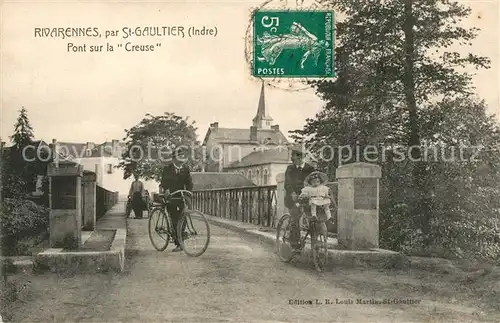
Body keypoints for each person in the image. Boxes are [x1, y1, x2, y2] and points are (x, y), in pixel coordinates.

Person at [160, 148, 193, 252]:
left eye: (183, 156)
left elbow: (189, 183)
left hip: (181, 196)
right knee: (175, 219)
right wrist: (166, 190)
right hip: (172, 197)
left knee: (183, 218)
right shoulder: (167, 169)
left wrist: (189, 191)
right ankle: (178, 243)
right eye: (180, 156)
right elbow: (164, 182)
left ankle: (180, 238)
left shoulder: (185, 169)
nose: (182, 158)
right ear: (174, 159)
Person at [284, 146, 315, 250]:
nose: (295, 161)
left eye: (297, 159)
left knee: (314, 216)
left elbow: (315, 181)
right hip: (293, 198)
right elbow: (287, 183)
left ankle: (316, 240)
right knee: (295, 217)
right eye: (294, 159)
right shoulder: (290, 168)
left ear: (302, 158)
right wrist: (292, 193)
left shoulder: (310, 169)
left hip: (306, 196)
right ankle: (294, 243)